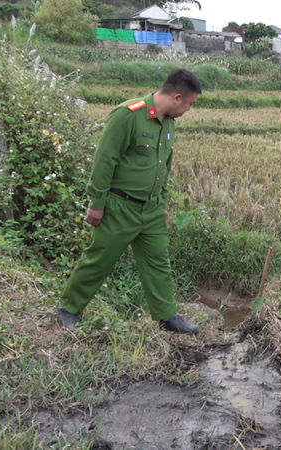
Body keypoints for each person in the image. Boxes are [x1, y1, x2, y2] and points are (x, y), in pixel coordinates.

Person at [57, 68, 202, 334]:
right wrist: (97, 202)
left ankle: (166, 317)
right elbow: (105, 160)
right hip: (120, 207)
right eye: (190, 105)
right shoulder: (128, 115)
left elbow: (164, 167)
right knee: (100, 258)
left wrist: (163, 203)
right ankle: (69, 309)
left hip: (152, 208)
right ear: (177, 98)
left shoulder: (168, 122)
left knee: (158, 262)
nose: (188, 110)